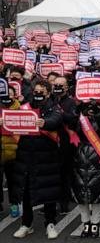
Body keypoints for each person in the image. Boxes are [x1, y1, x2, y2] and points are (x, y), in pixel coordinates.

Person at [12, 80, 63, 239]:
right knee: (26, 192)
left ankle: (50, 223)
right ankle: (26, 224)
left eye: (41, 91)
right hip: (26, 156)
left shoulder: (53, 107)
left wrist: (45, 122)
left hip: (47, 157)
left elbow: (55, 120)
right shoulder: (26, 106)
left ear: (48, 92)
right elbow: (14, 120)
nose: (37, 94)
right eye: (36, 91)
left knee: (48, 192)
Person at [72, 100, 100, 238]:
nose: (90, 109)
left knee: (96, 191)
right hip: (80, 156)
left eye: (93, 106)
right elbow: (71, 126)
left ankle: (95, 223)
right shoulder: (80, 118)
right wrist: (78, 110)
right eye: (88, 106)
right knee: (81, 193)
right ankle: (85, 222)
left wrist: (98, 113)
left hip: (97, 155)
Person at [52, 76, 78, 215]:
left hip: (66, 142)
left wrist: (61, 113)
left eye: (61, 85)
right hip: (51, 141)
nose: (58, 87)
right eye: (56, 84)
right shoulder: (51, 100)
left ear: (67, 87)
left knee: (65, 173)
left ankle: (64, 203)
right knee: (52, 173)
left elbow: (74, 119)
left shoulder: (71, 102)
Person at [0, 86, 21, 217]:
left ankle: (14, 204)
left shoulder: (21, 109)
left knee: (13, 181)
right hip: (0, 150)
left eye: (10, 94)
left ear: (15, 95)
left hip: (14, 152)